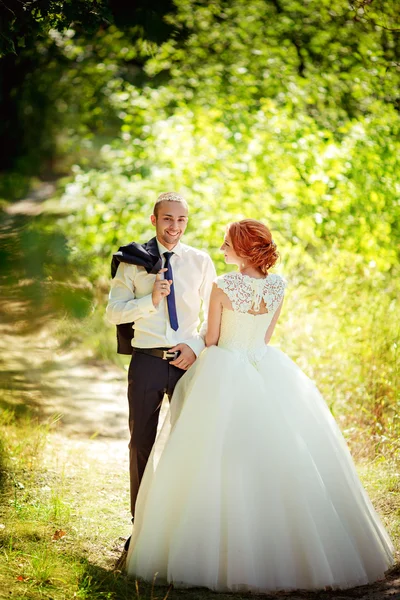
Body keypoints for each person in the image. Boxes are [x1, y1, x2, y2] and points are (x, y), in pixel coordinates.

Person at [125, 219, 394, 592]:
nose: (221, 250)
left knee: (213, 455)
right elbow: (266, 336)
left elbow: (214, 338)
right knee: (277, 456)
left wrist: (195, 347)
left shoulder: (223, 285)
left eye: (227, 244)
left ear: (244, 248)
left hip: (225, 367)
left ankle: (210, 548)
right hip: (264, 364)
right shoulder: (278, 285)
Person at [106, 192, 216, 553]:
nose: (175, 227)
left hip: (188, 363)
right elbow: (113, 313)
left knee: (190, 444)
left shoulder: (200, 261)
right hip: (147, 360)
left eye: (181, 220)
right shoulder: (132, 262)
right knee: (141, 444)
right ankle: (141, 528)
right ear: (154, 220)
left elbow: (214, 318)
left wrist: (196, 348)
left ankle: (187, 529)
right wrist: (149, 300)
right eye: (168, 219)